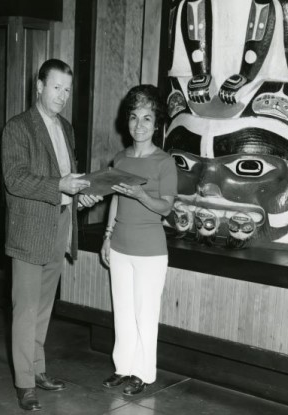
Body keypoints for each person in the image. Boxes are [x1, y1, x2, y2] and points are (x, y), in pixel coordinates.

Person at [1, 59, 103, 411]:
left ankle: (39, 370)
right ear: (40, 87)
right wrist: (59, 184)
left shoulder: (67, 128)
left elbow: (67, 178)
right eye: (56, 87)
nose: (62, 96)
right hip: (29, 230)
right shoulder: (18, 128)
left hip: (61, 223)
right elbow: (14, 179)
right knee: (26, 310)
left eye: (67, 90)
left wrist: (80, 193)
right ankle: (25, 383)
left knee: (44, 308)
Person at [101, 84, 178, 395]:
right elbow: (114, 201)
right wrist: (107, 236)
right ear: (127, 121)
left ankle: (143, 374)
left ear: (156, 123)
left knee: (145, 314)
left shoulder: (164, 162)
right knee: (122, 310)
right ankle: (123, 367)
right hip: (120, 245)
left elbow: (167, 207)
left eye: (147, 118)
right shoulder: (120, 159)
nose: (139, 125)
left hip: (150, 251)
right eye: (134, 117)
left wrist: (142, 194)